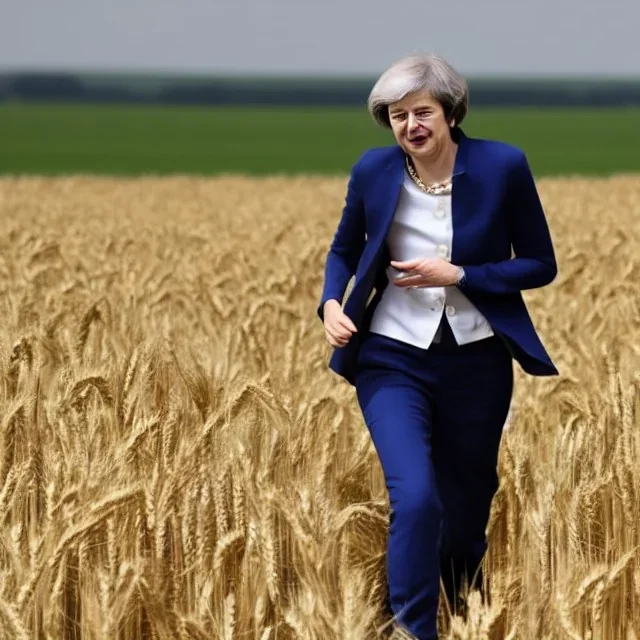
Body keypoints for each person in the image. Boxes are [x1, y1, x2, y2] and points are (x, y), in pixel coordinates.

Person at [317, 53, 559, 640]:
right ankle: (412, 629)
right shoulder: (373, 171)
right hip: (392, 357)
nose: (410, 126)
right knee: (418, 498)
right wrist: (330, 304)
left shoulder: (503, 166)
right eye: (397, 116)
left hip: (477, 360)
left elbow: (540, 264)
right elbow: (344, 250)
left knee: (466, 510)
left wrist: (462, 276)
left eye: (421, 111)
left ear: (449, 112)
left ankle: (461, 613)